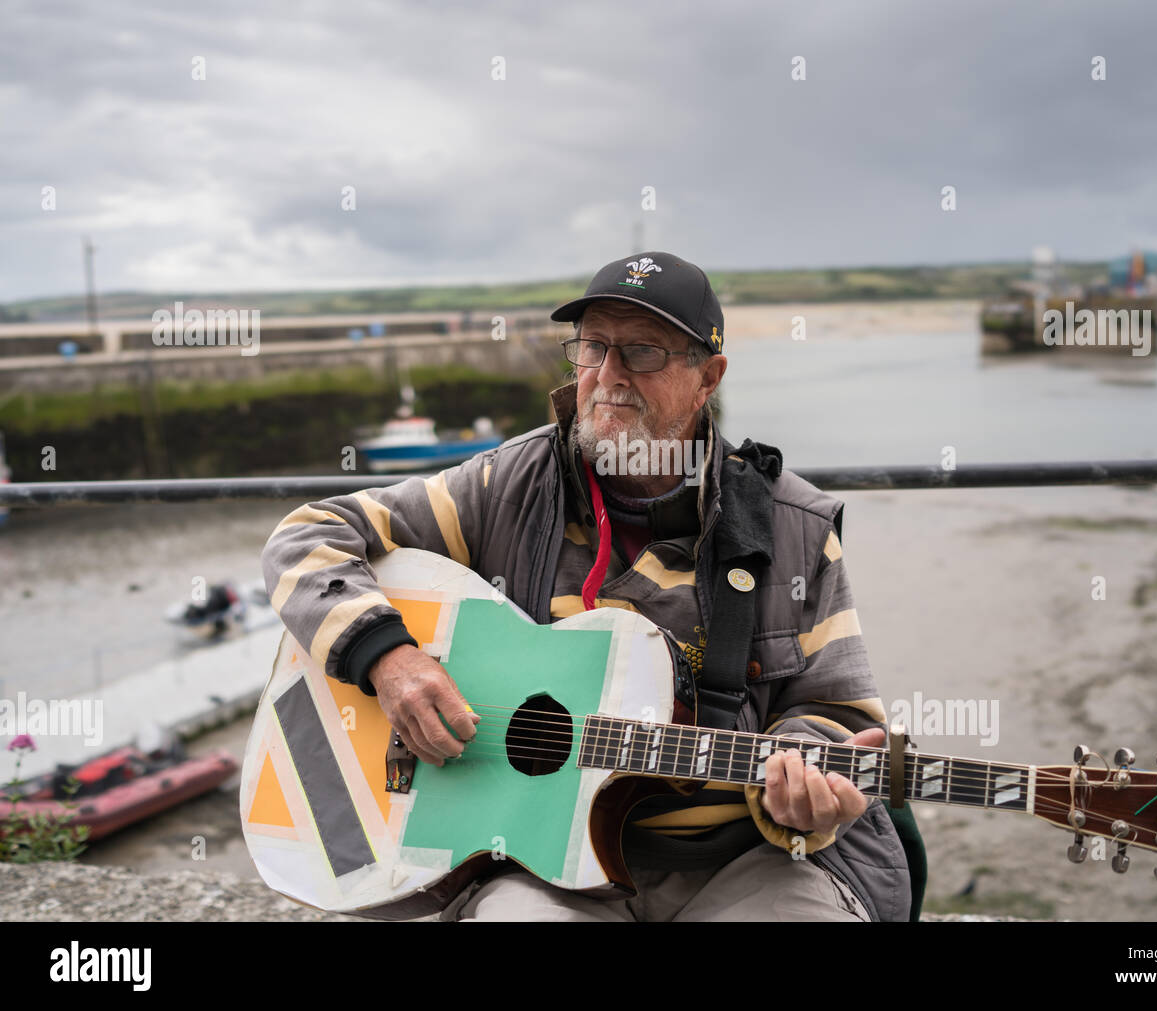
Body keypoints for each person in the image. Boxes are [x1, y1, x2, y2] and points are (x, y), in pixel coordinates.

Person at [260, 251, 912, 921]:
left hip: (751, 859)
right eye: (594, 347)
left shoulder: (793, 525)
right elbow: (306, 536)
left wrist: (807, 788)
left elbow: (841, 714)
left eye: (642, 352)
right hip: (540, 862)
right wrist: (389, 658)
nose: (608, 377)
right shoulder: (499, 487)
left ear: (707, 378)